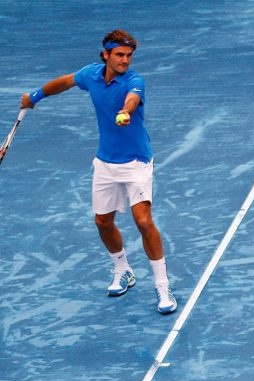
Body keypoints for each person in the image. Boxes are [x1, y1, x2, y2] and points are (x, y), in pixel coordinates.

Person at [21, 29, 177, 314]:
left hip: (136, 163)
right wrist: (35, 96)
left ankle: (163, 285)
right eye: (119, 55)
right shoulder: (90, 75)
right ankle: (123, 270)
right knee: (103, 222)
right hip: (105, 162)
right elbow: (65, 82)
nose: (125, 61)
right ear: (105, 55)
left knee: (143, 222)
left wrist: (126, 112)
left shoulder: (134, 81)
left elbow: (132, 99)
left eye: (129, 56)